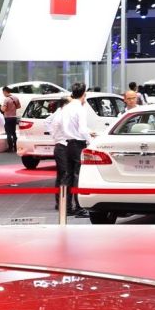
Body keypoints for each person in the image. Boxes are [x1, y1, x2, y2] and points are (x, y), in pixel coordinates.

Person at [60, 83, 95, 217]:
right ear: (83, 93)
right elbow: (82, 129)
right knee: (78, 176)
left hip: (67, 144)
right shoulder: (80, 109)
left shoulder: (66, 108)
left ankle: (67, 207)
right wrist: (91, 141)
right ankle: (79, 208)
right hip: (78, 144)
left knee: (68, 176)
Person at [46, 97, 71, 211]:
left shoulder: (60, 113)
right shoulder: (61, 114)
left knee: (61, 175)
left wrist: (54, 135)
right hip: (62, 145)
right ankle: (62, 202)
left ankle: (60, 202)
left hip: (61, 145)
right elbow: (47, 121)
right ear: (65, 105)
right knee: (64, 175)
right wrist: (55, 136)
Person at [0, 87, 21, 152]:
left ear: (5, 91)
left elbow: (3, 109)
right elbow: (19, 106)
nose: (3, 94)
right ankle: (16, 147)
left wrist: (1, 107)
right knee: (14, 132)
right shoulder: (16, 98)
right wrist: (13, 108)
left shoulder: (6, 100)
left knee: (8, 133)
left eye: (3, 92)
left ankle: (10, 147)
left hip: (7, 118)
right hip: (14, 117)